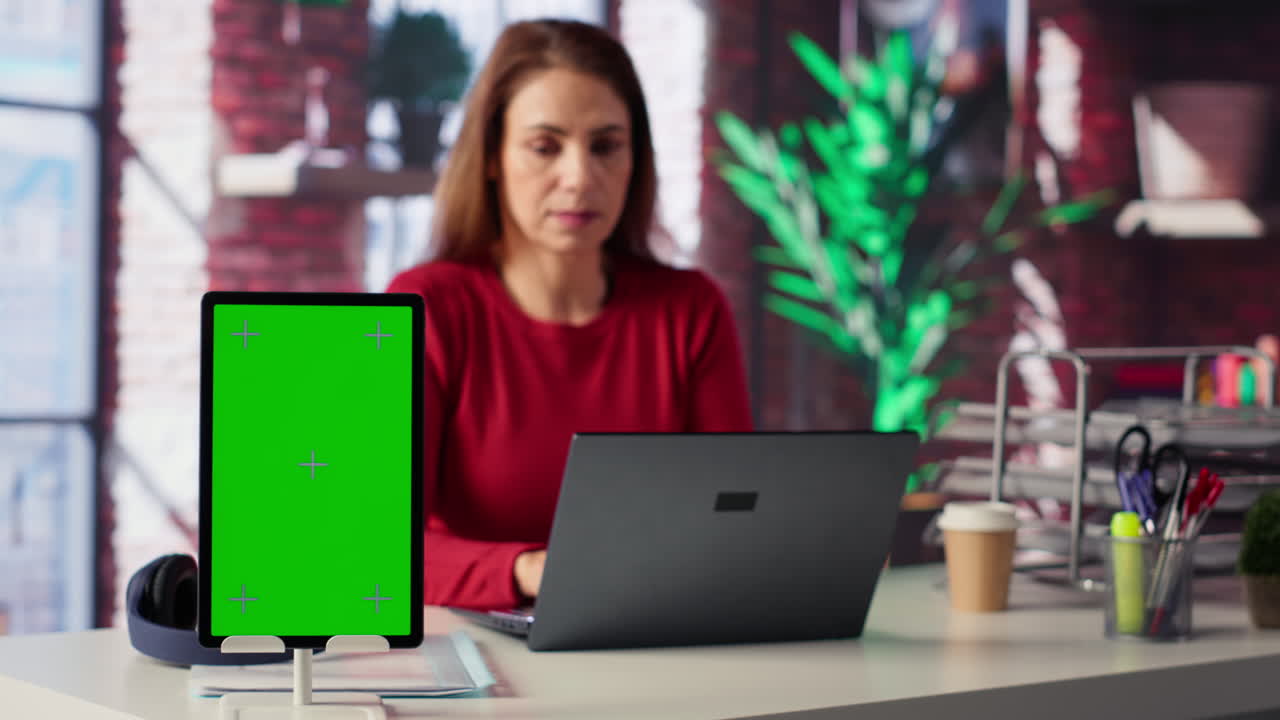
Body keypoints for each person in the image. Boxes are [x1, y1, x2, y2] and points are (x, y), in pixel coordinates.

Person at [386, 19, 753, 610]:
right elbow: (379, 548)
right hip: (487, 664)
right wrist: (529, 571)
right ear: (491, 158)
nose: (581, 177)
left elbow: (737, 522)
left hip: (659, 643)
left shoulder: (691, 311)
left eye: (606, 146)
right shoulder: (428, 308)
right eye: (545, 146)